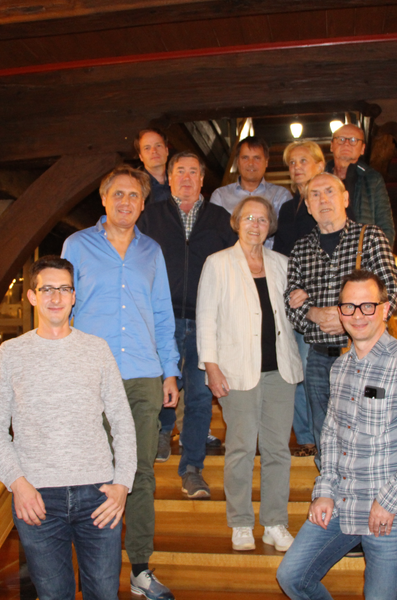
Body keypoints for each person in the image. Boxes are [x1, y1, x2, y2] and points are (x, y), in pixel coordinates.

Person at [277, 270, 397, 600]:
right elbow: (330, 435)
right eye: (349, 307)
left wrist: (389, 498)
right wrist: (324, 490)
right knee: (292, 576)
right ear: (339, 312)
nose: (358, 315)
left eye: (367, 306)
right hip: (343, 502)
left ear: (385, 309)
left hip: (391, 513)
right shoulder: (339, 368)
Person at [0, 256, 137, 600]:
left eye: (64, 289)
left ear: (73, 296)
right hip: (37, 499)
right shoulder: (10, 354)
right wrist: (17, 483)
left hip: (97, 495)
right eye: (47, 289)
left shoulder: (97, 349)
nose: (56, 297)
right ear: (33, 297)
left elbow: (123, 421)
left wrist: (122, 483)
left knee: (104, 594)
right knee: (54, 596)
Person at [62, 165, 180, 600]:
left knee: (141, 473)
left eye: (134, 195)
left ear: (143, 204)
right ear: (104, 199)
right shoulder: (77, 245)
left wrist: (170, 370)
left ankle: (141, 570)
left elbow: (163, 314)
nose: (126, 202)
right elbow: (63, 310)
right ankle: (99, 570)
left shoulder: (152, 251)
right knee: (95, 472)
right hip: (91, 376)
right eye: (118, 194)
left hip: (144, 377)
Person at [196, 196, 303, 553]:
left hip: (280, 371)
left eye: (262, 219)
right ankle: (240, 522)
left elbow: (293, 313)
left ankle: (274, 522)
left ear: (269, 225)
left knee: (277, 451)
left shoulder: (283, 264)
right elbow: (206, 318)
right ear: (236, 222)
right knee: (240, 449)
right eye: (248, 218)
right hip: (236, 370)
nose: (255, 224)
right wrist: (210, 365)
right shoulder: (218, 263)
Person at [284, 172, 397, 468]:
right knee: (326, 437)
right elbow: (292, 306)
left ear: (345, 198)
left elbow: (393, 295)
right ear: (308, 206)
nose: (323, 199)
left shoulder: (371, 238)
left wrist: (346, 316)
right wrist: (312, 312)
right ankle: (332, 499)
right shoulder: (300, 250)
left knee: (370, 432)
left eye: (329, 192)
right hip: (319, 361)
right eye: (315, 195)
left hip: (366, 359)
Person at [138, 151, 237, 497]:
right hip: (160, 319)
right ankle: (163, 432)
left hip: (205, 321)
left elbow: (234, 268)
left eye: (193, 172)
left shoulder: (221, 219)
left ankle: (192, 467)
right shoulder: (150, 217)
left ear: (202, 180)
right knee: (159, 388)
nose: (186, 178)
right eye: (180, 171)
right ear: (168, 176)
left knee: (198, 396)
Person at [271, 140, 326, 458]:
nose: (297, 168)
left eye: (304, 161)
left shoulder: (326, 203)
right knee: (292, 373)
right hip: (288, 302)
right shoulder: (287, 209)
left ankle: (320, 440)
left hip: (316, 306)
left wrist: (314, 293)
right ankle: (305, 438)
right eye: (292, 163)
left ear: (320, 165)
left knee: (311, 373)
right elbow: (280, 256)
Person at [210, 136, 292, 249]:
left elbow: (286, 236)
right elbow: (214, 236)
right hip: (230, 262)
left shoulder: (281, 196)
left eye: (257, 158)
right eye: (245, 158)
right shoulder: (220, 196)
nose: (251, 163)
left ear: (266, 162)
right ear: (237, 162)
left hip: (269, 262)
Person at [324, 124, 395, 246]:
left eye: (353, 140)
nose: (346, 144)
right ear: (331, 145)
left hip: (363, 253)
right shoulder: (320, 179)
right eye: (341, 139)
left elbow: (385, 225)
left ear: (362, 149)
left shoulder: (372, 179)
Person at [135, 128, 172, 204]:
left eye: (158, 145)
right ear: (141, 157)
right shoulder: (135, 186)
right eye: (147, 148)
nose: (154, 151)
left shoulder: (181, 181)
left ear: (166, 151)